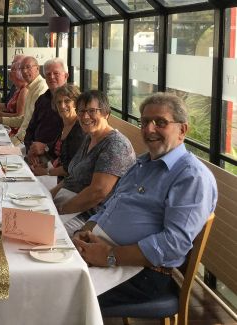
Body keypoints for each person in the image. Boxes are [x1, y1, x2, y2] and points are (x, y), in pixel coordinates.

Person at [72, 92, 218, 308]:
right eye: (145, 122)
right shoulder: (142, 163)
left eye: (160, 122)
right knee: (43, 272)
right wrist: (87, 232)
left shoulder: (191, 177)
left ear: (183, 130)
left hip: (144, 272)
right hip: (104, 250)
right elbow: (110, 206)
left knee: (60, 295)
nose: (150, 129)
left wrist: (110, 256)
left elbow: (173, 245)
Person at [50, 90, 136, 231]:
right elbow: (72, 177)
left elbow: (97, 193)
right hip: (68, 202)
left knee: (41, 232)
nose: (85, 116)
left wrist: (60, 209)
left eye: (92, 111)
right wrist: (48, 195)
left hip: (91, 215)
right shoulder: (90, 137)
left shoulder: (115, 145)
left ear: (106, 113)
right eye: (81, 111)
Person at [0, 56, 47, 146]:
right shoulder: (30, 88)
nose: (24, 71)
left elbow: (29, 123)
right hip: (20, 138)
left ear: (37, 68)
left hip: (27, 142)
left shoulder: (40, 89)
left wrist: (14, 143)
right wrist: (0, 119)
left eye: (28, 67)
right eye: (22, 68)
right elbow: (24, 119)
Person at [30, 84, 85, 178]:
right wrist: (40, 160)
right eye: (59, 102)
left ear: (76, 103)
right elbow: (53, 152)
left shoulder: (79, 129)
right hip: (54, 173)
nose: (62, 106)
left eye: (67, 101)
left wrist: (46, 172)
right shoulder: (63, 124)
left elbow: (71, 168)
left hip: (66, 181)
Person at [24, 57, 69, 167]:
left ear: (66, 76)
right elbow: (30, 130)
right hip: (35, 155)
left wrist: (45, 148)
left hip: (55, 159)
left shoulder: (71, 103)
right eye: (48, 74)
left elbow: (71, 139)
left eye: (56, 73)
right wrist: (30, 150)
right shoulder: (42, 99)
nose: (52, 77)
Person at [0, 55, 27, 136]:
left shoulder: (24, 90)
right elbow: (8, 105)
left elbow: (19, 116)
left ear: (20, 73)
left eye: (13, 70)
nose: (10, 72)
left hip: (14, 132)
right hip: (7, 126)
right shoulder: (17, 88)